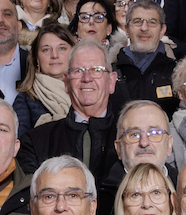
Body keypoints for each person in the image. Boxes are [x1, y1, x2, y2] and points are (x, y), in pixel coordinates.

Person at [21, 42, 121, 189]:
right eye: (78, 71)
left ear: (111, 81)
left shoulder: (129, 137)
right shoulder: (36, 142)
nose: (87, 78)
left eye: (96, 70)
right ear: (66, 83)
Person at [14, 25, 75, 137]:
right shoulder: (25, 99)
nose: (54, 55)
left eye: (61, 48)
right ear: (37, 58)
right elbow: (20, 144)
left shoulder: (86, 90)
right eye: (46, 50)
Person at [110, 160, 177, 215]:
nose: (146, 204)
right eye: (136, 195)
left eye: (156, 192)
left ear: (171, 202)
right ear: (122, 204)